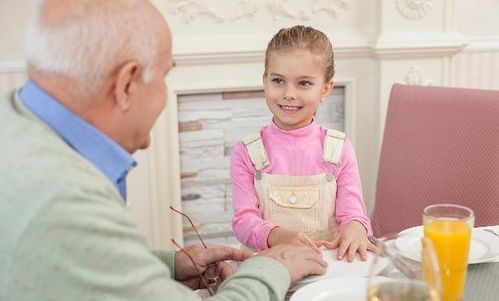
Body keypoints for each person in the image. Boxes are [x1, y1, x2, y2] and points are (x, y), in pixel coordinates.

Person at [0, 1, 328, 301]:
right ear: (126, 85)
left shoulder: (16, 127)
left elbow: (77, 267)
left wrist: (165, 266)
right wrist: (275, 267)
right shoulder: (65, 202)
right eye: (164, 76)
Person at [230, 25, 375, 262]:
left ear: (325, 89)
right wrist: (278, 236)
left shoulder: (339, 150)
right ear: (265, 81)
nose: (289, 93)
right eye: (278, 80)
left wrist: (356, 228)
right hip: (268, 268)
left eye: (304, 83)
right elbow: (243, 222)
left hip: (326, 269)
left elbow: (353, 214)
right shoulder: (247, 152)